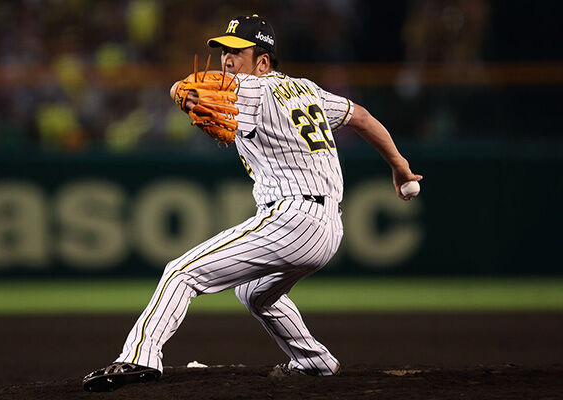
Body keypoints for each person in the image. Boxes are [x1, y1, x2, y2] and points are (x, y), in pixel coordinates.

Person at [82, 14, 422, 392]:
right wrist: (399, 165)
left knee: (181, 272)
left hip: (293, 219)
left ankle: (139, 357)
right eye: (223, 51)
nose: (226, 60)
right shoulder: (308, 89)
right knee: (253, 293)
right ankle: (314, 361)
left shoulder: (252, 87)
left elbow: (182, 88)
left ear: (262, 62)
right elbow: (362, 117)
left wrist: (183, 93)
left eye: (236, 52)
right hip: (326, 229)